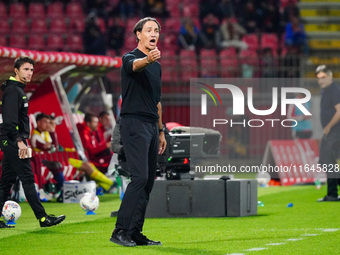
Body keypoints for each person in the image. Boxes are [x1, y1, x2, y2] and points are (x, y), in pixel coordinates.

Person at [109, 17, 167, 247]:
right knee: (139, 177)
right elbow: (134, 66)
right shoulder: (130, 58)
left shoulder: (157, 66)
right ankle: (119, 230)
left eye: (157, 31)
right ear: (138, 35)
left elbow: (157, 101)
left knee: (148, 181)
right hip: (133, 123)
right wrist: (147, 59)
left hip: (152, 126)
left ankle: (134, 232)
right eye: (149, 30)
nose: (154, 33)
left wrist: (161, 132)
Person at [0, 56, 66, 228]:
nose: (30, 73)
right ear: (16, 70)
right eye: (26, 69)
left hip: (11, 140)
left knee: (6, 181)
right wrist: (19, 141)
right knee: (28, 179)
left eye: (31, 70)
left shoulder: (16, 90)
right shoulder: (14, 91)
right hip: (14, 141)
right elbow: (9, 121)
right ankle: (43, 218)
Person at [315, 65, 340, 202]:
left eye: (323, 77)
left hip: (335, 131)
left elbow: (339, 111)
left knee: (329, 162)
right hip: (329, 132)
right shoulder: (326, 91)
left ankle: (332, 194)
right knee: (324, 162)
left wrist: (329, 126)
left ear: (330, 77)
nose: (321, 81)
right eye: (318, 78)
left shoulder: (334, 90)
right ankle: (332, 193)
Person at [30, 113, 65, 201]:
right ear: (38, 122)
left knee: (58, 164)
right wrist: (52, 137)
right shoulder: (35, 135)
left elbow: (54, 148)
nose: (48, 124)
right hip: (37, 160)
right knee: (56, 165)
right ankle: (64, 188)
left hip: (44, 159)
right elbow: (51, 148)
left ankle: (63, 189)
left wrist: (52, 134)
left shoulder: (45, 134)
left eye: (49, 122)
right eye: (45, 122)